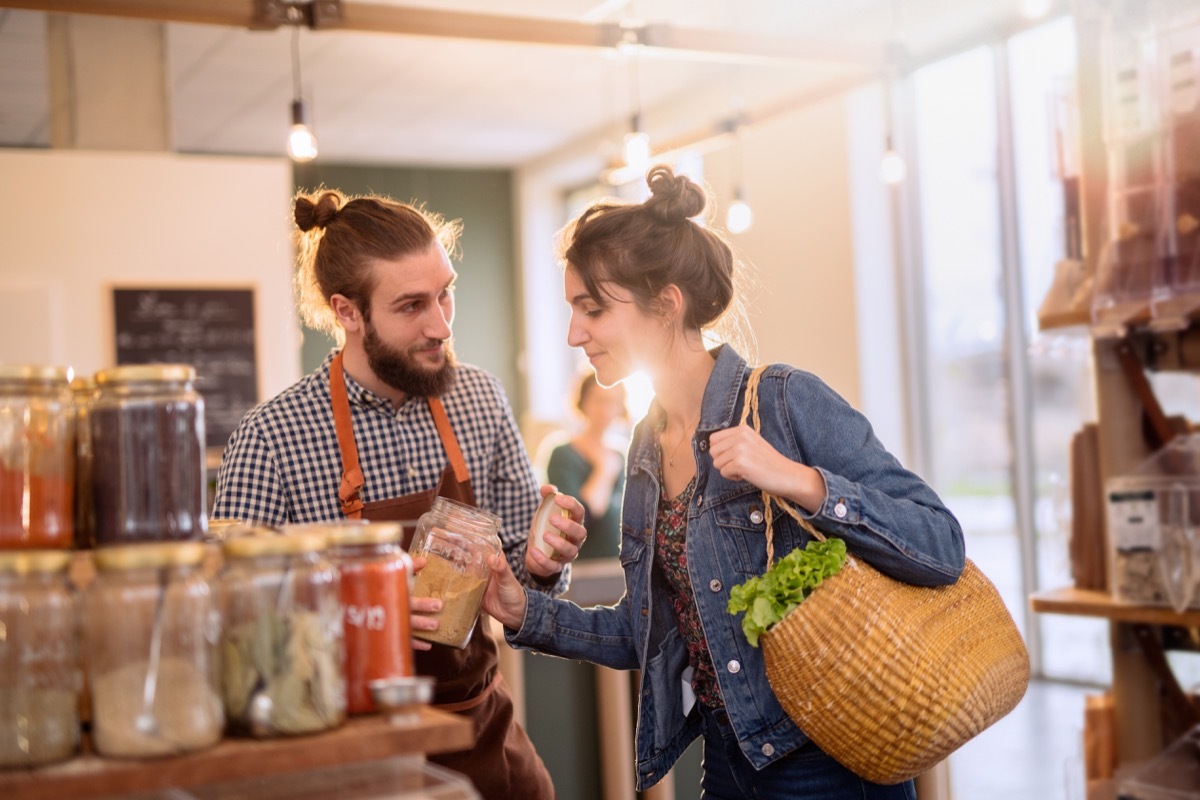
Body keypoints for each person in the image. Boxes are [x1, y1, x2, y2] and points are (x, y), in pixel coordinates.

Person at [482, 165, 966, 800]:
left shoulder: (785, 401)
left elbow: (940, 543)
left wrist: (796, 481)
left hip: (829, 766)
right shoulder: (646, 447)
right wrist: (529, 614)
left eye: (592, 308)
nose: (575, 333)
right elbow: (650, 630)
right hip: (729, 765)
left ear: (667, 302)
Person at [212, 188, 587, 800]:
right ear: (348, 311)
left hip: (479, 731)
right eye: (412, 305)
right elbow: (232, 621)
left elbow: (522, 565)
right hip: (346, 750)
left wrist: (544, 564)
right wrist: (360, 613)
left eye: (446, 293)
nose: (440, 324)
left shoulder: (479, 399)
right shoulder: (271, 437)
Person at [544, 371, 627, 559]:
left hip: (618, 566)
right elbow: (578, 522)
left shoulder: (622, 456)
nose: (606, 410)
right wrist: (603, 471)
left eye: (613, 402)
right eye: (599, 400)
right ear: (583, 401)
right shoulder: (563, 454)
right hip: (582, 569)